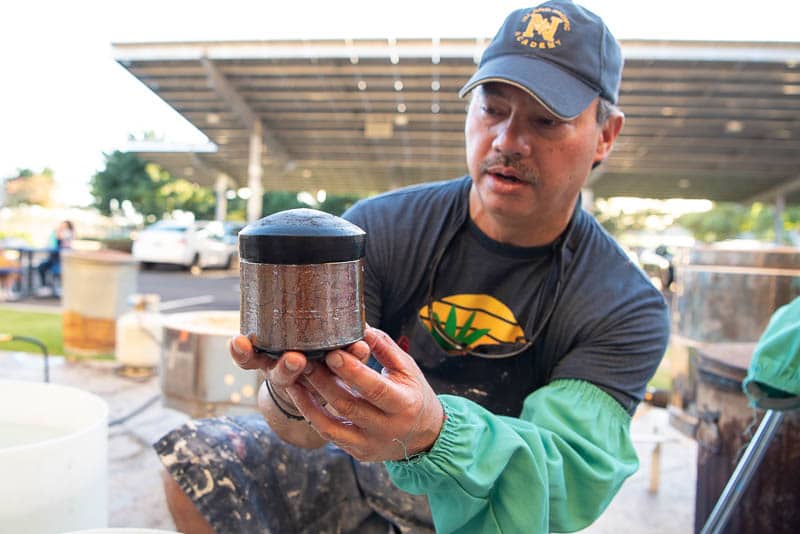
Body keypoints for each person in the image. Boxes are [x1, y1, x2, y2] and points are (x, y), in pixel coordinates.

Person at [155, 2, 670, 532]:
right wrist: (292, 396)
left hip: (484, 504)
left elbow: (563, 480)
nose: (509, 142)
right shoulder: (377, 230)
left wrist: (434, 433)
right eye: (493, 109)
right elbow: (307, 432)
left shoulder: (622, 305)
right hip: (361, 461)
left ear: (606, 135)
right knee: (201, 460)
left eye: (547, 120)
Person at [36, 220, 73, 292]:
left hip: (61, 260)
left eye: (65, 226)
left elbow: (63, 241)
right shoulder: (55, 235)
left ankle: (60, 288)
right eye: (62, 226)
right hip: (53, 258)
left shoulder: (67, 235)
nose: (63, 228)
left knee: (58, 271)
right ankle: (45, 287)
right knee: (41, 267)